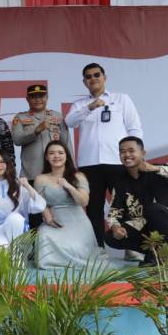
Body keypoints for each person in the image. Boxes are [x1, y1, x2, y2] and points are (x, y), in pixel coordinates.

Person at [65, 63, 144, 253]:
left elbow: (134, 128)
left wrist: (135, 156)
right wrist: (90, 107)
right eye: (88, 76)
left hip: (117, 161)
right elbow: (69, 121)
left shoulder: (121, 99)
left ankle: (131, 247)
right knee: (94, 207)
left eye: (96, 75)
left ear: (104, 77)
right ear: (84, 81)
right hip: (89, 163)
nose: (93, 78)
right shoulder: (79, 105)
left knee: (126, 204)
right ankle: (98, 247)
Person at [106, 137, 168, 267]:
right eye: (122, 151)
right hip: (142, 224)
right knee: (110, 237)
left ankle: (163, 256)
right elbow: (114, 211)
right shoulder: (120, 181)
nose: (127, 155)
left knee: (153, 209)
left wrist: (156, 169)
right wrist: (115, 227)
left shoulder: (158, 170)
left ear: (143, 153)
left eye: (131, 150)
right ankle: (152, 254)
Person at [34, 141, 96, 269]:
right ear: (46, 157)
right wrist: (47, 216)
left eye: (60, 153)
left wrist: (69, 186)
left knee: (76, 249)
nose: (56, 156)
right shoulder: (40, 179)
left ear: (66, 156)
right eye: (52, 153)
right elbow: (41, 202)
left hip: (77, 221)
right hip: (55, 221)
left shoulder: (78, 176)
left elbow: (84, 202)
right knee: (44, 238)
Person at [0, 151, 46, 247]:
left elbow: (40, 206)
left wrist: (27, 186)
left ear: (8, 164)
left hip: (16, 228)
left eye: (2, 161)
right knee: (2, 250)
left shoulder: (18, 185)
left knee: (14, 218)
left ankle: (18, 253)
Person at [11, 84, 71, 180]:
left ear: (47, 97)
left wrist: (71, 170)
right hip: (31, 173)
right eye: (33, 97)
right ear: (27, 99)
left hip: (56, 173)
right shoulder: (20, 117)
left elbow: (66, 144)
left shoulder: (57, 116)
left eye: (41, 96)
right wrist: (36, 131)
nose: (38, 99)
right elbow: (17, 140)